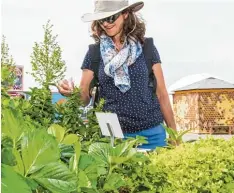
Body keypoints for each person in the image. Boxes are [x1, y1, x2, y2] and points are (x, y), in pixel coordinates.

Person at [57, 0, 177, 150]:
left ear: (125, 14)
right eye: (101, 20)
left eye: (111, 17)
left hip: (151, 134)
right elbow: (83, 99)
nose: (106, 24)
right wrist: (71, 93)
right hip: (112, 136)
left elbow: (162, 95)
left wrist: (174, 135)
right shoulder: (94, 53)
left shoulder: (147, 48)